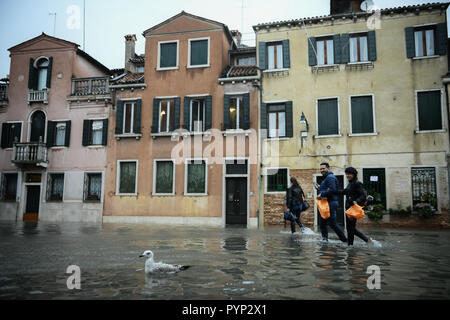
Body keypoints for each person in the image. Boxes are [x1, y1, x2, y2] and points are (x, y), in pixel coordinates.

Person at [338, 167, 373, 246]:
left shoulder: (357, 183)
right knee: (350, 228)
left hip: (353, 208)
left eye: (349, 174)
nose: (348, 175)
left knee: (350, 228)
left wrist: (356, 201)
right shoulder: (350, 184)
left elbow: (363, 195)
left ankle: (351, 245)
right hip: (349, 208)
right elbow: (344, 192)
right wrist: (331, 191)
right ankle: (365, 240)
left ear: (354, 174)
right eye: (347, 174)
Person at [315, 163, 348, 243]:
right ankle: (325, 240)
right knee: (322, 223)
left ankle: (344, 240)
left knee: (333, 224)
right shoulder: (327, 178)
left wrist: (321, 194)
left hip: (330, 203)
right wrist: (320, 188)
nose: (321, 170)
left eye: (323, 168)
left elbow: (333, 190)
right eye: (321, 169)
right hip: (327, 203)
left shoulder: (330, 177)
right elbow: (328, 189)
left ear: (328, 168)